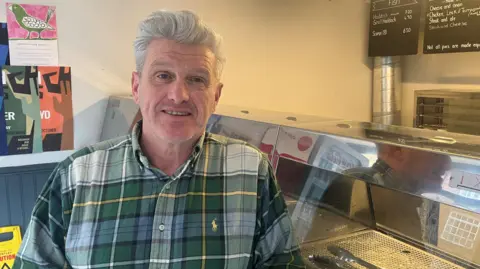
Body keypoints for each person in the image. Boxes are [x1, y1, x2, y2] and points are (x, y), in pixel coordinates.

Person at [12, 10, 305, 269]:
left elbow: (282, 261)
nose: (179, 95)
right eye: (163, 75)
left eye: (197, 79)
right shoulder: (75, 176)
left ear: (216, 96)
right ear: (136, 87)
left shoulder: (252, 171)